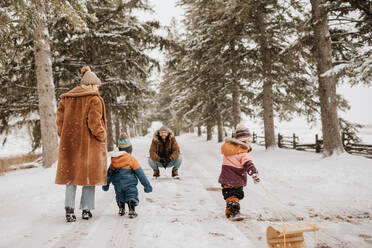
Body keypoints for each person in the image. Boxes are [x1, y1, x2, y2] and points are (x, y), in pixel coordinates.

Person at [55, 66, 107, 222]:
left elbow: (60, 122)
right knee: (89, 177)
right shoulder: (94, 99)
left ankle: (69, 210)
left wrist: (64, 136)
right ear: (91, 84)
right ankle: (86, 209)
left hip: (70, 145)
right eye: (97, 85)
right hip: (89, 145)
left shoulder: (66, 99)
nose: (98, 88)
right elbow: (94, 123)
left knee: (71, 178)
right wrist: (102, 136)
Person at [218, 124, 260, 219]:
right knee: (235, 196)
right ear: (245, 141)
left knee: (229, 195)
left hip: (226, 178)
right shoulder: (242, 152)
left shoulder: (229, 149)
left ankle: (229, 212)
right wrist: (254, 174)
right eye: (249, 141)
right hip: (236, 179)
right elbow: (248, 164)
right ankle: (234, 213)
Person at [102, 142, 152, 218]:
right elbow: (140, 174)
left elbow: (109, 174)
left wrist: (106, 185)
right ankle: (131, 210)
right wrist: (147, 185)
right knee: (131, 195)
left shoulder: (114, 160)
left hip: (118, 184)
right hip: (130, 183)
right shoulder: (131, 159)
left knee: (119, 195)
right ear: (129, 149)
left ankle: (121, 209)